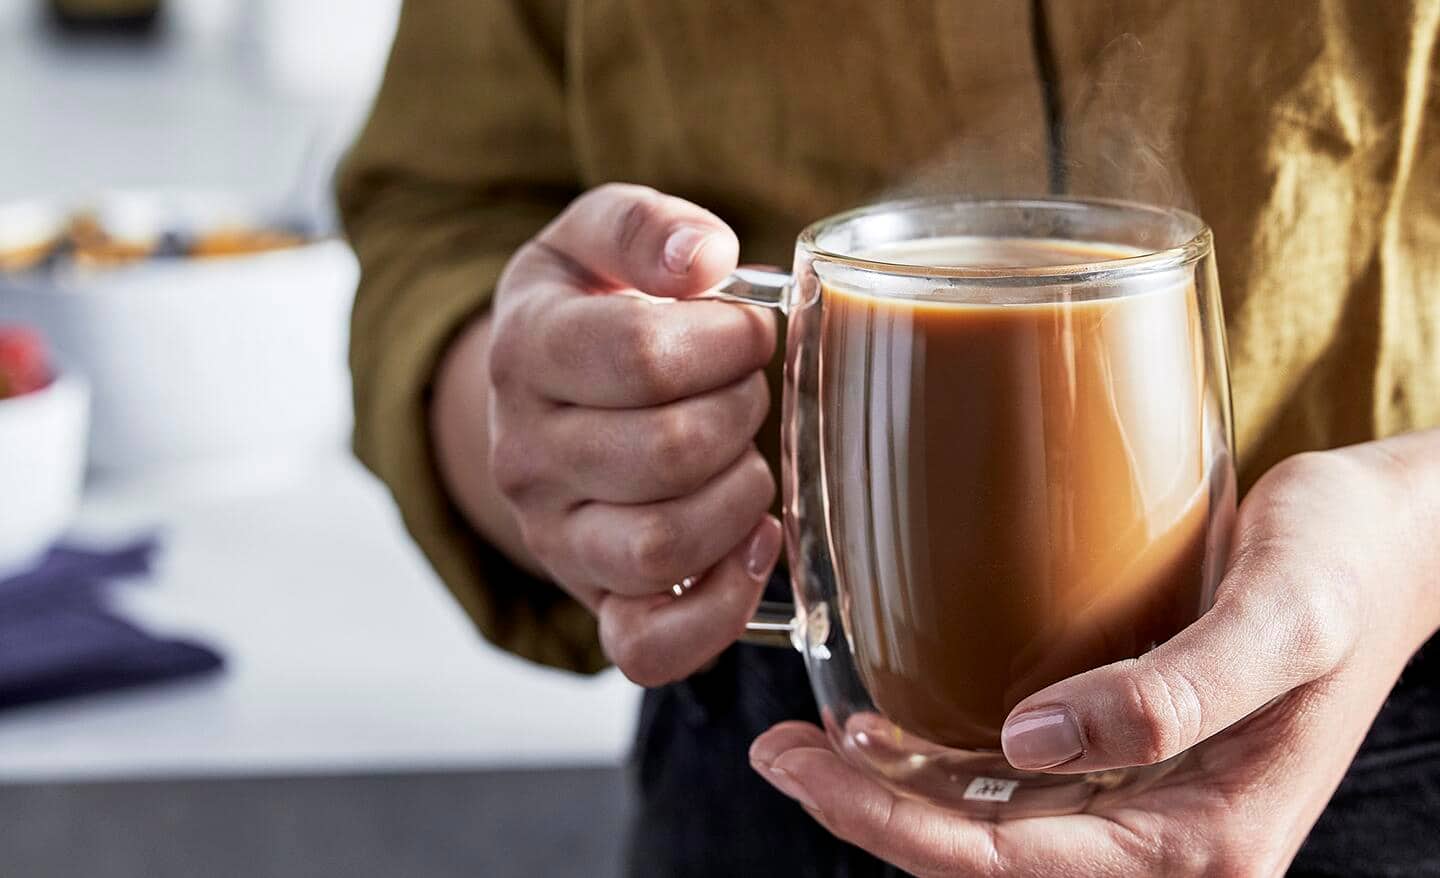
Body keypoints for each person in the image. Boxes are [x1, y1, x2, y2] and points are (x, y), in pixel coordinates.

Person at [338, 1, 1440, 874]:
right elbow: (444, 215)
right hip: (773, 766)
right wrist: (569, 433)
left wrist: (1415, 525)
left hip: (1381, 720)